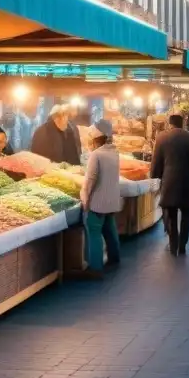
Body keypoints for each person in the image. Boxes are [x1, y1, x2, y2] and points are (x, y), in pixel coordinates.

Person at [152, 114, 189, 255]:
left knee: (170, 214)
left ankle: (173, 244)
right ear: (183, 123)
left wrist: (155, 175)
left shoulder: (162, 138)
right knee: (187, 214)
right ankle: (182, 244)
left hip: (170, 182)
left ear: (170, 124)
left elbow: (156, 162)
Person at [81, 119, 122, 279]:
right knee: (110, 229)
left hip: (97, 202)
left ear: (95, 140)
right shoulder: (115, 152)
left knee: (94, 232)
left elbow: (90, 180)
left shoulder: (96, 155)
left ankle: (95, 268)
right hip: (112, 200)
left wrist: (85, 200)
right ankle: (114, 258)